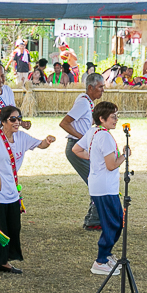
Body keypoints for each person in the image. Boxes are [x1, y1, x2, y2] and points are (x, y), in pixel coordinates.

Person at [0, 105, 54, 276]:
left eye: (19, 118)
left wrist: (47, 141)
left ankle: (4, 263)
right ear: (3, 122)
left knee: (12, 228)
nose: (17, 122)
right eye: (13, 119)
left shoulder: (21, 137)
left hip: (12, 192)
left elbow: (39, 144)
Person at [72, 102, 129, 276]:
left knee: (114, 221)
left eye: (116, 116)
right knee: (113, 223)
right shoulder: (104, 136)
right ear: (102, 119)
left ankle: (106, 254)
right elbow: (111, 165)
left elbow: (76, 149)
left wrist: (95, 157)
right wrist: (124, 155)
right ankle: (101, 260)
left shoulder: (92, 131)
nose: (116, 120)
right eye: (113, 117)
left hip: (99, 185)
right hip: (105, 187)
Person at [59, 72, 105, 231]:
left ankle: (93, 219)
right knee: (96, 182)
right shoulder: (83, 103)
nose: (102, 90)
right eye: (100, 87)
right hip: (76, 147)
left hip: (78, 146)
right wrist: (83, 138)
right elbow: (64, 123)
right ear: (90, 88)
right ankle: (94, 220)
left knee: (96, 181)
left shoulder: (87, 101)